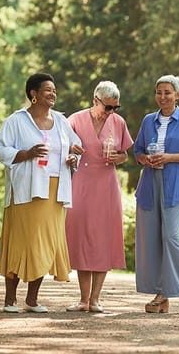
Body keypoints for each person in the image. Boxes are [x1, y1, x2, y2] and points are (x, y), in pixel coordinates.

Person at [0, 73, 83, 314]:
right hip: (26, 191)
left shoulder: (62, 121)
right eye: (47, 90)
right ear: (33, 94)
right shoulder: (16, 121)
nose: (53, 94)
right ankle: (10, 299)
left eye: (54, 90)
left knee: (45, 243)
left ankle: (32, 299)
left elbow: (76, 147)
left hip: (55, 191)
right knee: (22, 242)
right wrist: (25, 154)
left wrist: (75, 157)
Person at [133, 74, 179, 314]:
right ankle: (162, 295)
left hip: (175, 184)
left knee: (172, 238)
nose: (162, 97)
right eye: (159, 92)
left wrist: (169, 158)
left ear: (177, 95)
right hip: (150, 183)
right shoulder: (148, 121)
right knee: (153, 239)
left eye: (167, 92)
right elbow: (139, 152)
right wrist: (146, 160)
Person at [64, 81, 134, 313]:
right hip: (81, 182)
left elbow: (125, 154)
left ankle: (95, 299)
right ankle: (83, 299)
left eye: (115, 107)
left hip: (106, 184)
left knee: (103, 238)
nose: (111, 112)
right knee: (83, 237)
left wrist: (119, 158)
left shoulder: (118, 123)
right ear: (95, 100)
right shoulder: (74, 120)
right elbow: (62, 149)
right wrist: (70, 154)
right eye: (108, 107)